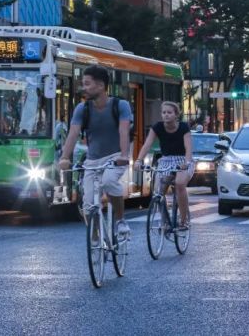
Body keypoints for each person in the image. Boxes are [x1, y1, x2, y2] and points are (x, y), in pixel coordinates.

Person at [58, 65, 132, 239]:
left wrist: (123, 155)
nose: (84, 88)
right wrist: (64, 157)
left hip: (115, 157)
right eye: (83, 84)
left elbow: (123, 131)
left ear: (100, 86)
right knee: (89, 204)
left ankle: (120, 220)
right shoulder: (82, 109)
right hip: (92, 161)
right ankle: (97, 238)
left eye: (87, 84)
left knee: (108, 182)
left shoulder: (121, 105)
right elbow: (73, 134)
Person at [134, 102, 194, 229]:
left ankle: (184, 220)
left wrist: (187, 163)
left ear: (176, 115)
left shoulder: (183, 127)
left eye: (169, 112)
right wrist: (139, 160)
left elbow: (188, 148)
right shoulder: (157, 127)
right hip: (165, 161)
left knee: (179, 183)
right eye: (164, 112)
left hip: (182, 160)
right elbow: (147, 145)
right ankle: (165, 221)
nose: (166, 115)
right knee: (158, 191)